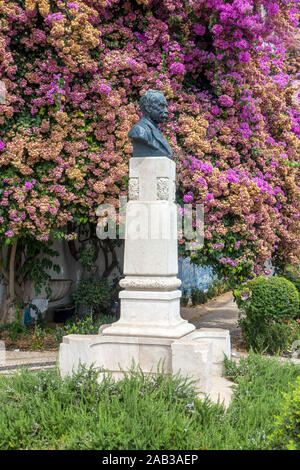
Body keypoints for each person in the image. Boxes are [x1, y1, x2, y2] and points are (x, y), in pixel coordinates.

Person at [128, 89, 173, 158]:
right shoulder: (139, 131)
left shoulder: (156, 131)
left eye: (166, 107)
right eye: (161, 106)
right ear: (148, 107)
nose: (166, 111)